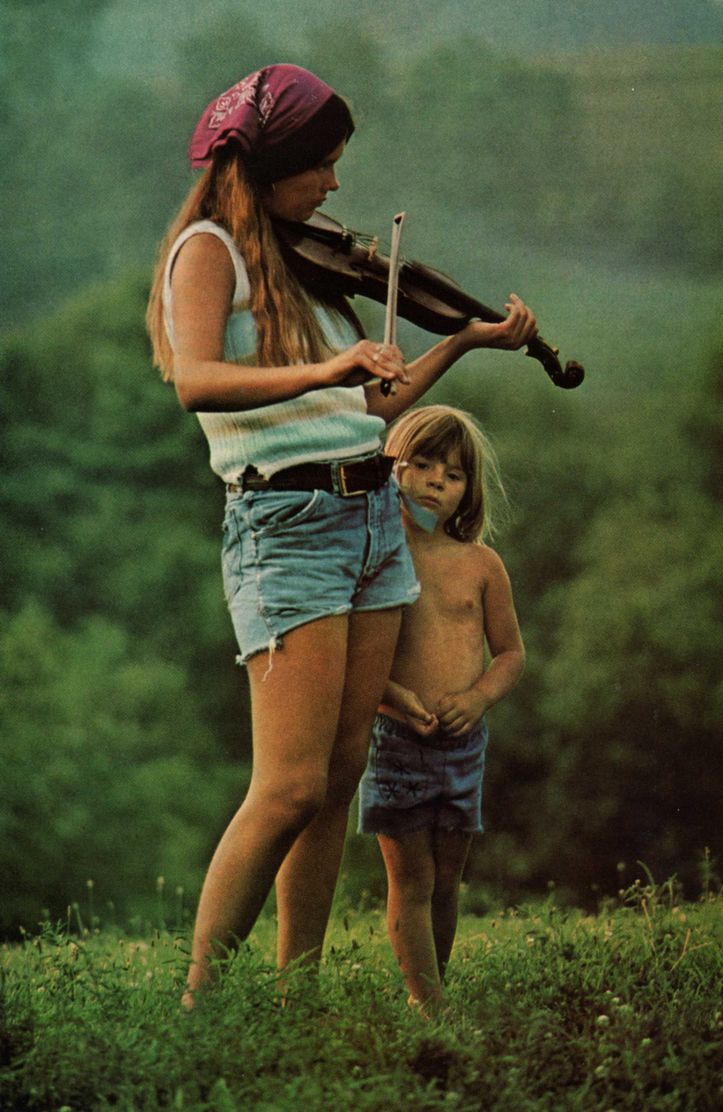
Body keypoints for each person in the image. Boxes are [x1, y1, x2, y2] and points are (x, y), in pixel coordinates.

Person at [146, 64, 536, 1006]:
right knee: (286, 787)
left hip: (370, 515)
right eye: (320, 165)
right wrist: (327, 365)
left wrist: (463, 342)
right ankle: (201, 1004)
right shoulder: (208, 249)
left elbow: (373, 402)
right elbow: (196, 380)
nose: (333, 185)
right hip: (288, 523)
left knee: (341, 771)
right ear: (270, 164)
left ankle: (297, 992)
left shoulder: (299, 259)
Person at [358, 405, 526, 1013]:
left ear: (468, 490)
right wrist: (392, 696)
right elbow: (353, 655)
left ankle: (433, 995)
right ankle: (429, 1005)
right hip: (397, 739)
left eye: (452, 474)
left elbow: (509, 654)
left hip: (462, 745)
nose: (435, 481)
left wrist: (479, 698)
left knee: (448, 880)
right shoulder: (374, 551)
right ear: (391, 468)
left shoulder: (482, 565)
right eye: (421, 464)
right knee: (414, 881)